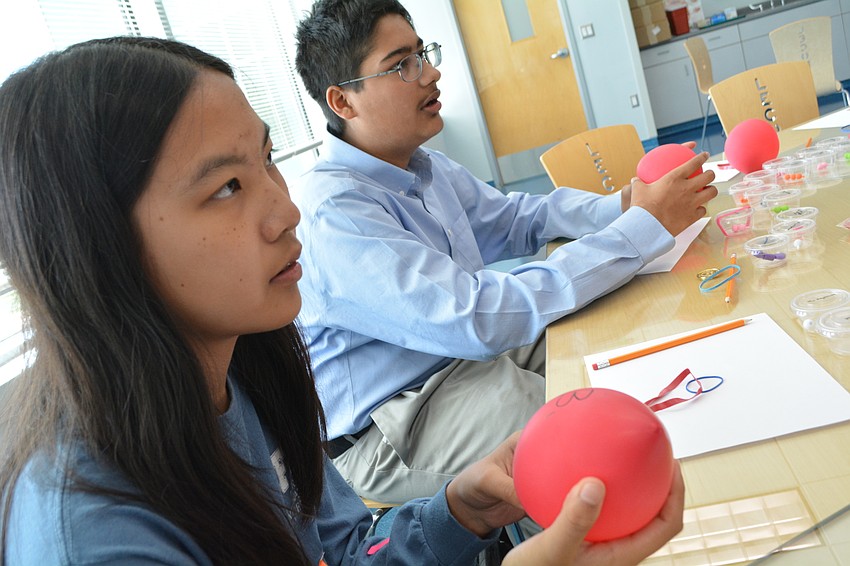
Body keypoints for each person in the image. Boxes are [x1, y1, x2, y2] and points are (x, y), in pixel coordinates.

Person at [0, 36, 686, 565]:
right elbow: (476, 317)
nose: (284, 212)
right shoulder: (94, 533)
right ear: (96, 246)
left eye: (267, 161)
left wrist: (458, 511)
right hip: (411, 407)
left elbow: (349, 550)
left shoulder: (243, 375)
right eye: (227, 188)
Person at [292, 0, 717, 506]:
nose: (431, 72)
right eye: (403, 64)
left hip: (456, 357)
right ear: (343, 101)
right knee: (586, 437)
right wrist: (638, 231)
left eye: (423, 53)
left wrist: (622, 206)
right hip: (394, 423)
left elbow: (521, 218)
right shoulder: (333, 212)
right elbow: (477, 315)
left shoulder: (423, 166)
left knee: (621, 332)